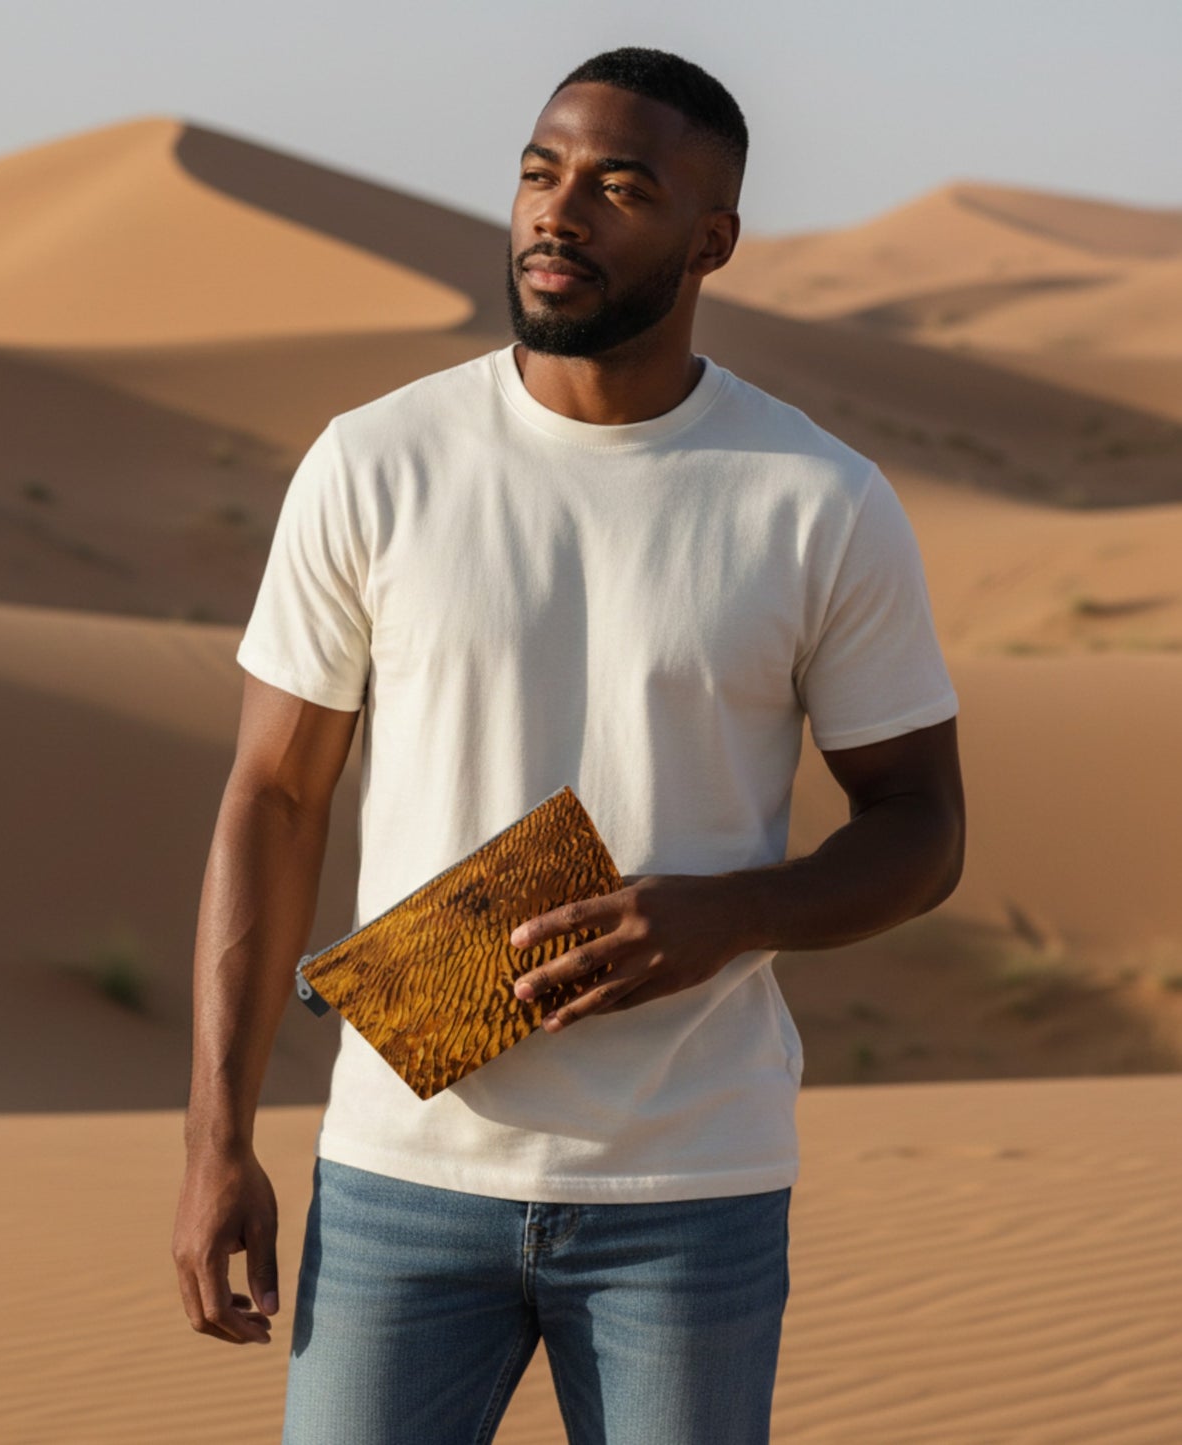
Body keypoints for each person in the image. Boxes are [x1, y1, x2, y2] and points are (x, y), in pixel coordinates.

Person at [172, 45, 964, 1445]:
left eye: (619, 185)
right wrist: (213, 1141)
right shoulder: (376, 461)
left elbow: (919, 826)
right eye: (540, 172)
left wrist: (729, 912)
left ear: (709, 238)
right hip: (398, 1177)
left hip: (688, 1191)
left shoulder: (818, 501)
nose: (559, 212)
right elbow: (272, 798)